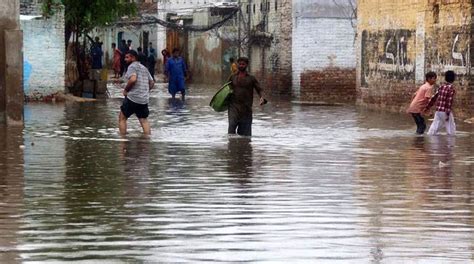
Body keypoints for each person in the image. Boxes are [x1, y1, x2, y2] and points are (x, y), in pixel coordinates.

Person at [119, 50, 155, 135]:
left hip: (132, 98)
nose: (125, 59)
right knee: (144, 120)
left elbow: (133, 79)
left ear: (133, 58)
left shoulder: (132, 67)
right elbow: (152, 82)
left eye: (127, 57)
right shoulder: (144, 68)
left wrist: (126, 90)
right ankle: (146, 141)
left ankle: (123, 140)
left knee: (122, 118)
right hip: (143, 100)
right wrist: (145, 92)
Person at [227, 57, 266, 136]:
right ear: (237, 65)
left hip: (246, 109)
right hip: (233, 107)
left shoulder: (251, 78)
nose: (241, 66)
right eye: (240, 64)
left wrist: (262, 98)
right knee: (231, 129)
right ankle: (231, 147)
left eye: (243, 64)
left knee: (245, 135)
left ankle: (244, 147)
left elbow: (260, 89)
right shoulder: (232, 77)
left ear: (246, 65)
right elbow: (225, 90)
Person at [425, 70, 456, 136]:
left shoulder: (442, 87)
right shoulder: (451, 89)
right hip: (445, 111)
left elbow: (434, 98)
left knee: (433, 129)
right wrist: (447, 114)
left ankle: (429, 141)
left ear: (445, 78)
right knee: (451, 130)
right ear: (453, 79)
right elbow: (448, 102)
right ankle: (450, 145)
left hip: (438, 110)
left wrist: (427, 107)